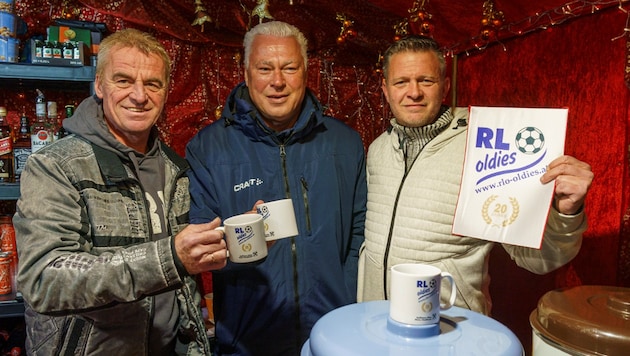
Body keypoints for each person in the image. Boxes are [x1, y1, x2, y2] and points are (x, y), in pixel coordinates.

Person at [13, 28, 227, 355]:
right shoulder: (55, 165)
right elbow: (45, 280)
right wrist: (168, 257)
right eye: (124, 80)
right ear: (99, 85)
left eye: (152, 83)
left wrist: (235, 238)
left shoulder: (174, 167)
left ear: (166, 90)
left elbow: (185, 273)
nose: (139, 96)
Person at [357, 35, 594, 315]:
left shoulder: (484, 147)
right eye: (401, 82)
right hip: (375, 321)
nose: (414, 92)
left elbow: (538, 259)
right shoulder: (378, 149)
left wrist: (565, 212)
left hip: (449, 330)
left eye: (426, 80)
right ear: (385, 89)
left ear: (445, 86)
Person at [185, 21, 367, 355]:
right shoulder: (209, 148)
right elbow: (202, 247)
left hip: (333, 336)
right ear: (246, 72)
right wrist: (245, 240)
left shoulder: (345, 143)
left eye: (289, 68)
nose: (278, 81)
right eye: (265, 68)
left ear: (306, 71)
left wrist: (346, 305)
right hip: (248, 340)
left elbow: (358, 235)